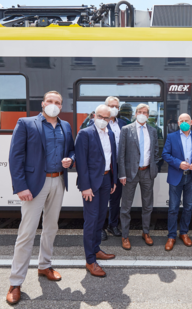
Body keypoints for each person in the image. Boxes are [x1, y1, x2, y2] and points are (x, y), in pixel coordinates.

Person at [6, 91, 75, 305]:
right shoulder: (26, 123)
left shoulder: (66, 126)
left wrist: (69, 160)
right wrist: (20, 186)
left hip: (58, 181)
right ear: (43, 103)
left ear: (61, 106)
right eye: (50, 101)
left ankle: (45, 266)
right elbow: (15, 156)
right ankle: (15, 282)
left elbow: (72, 151)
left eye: (58, 103)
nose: (54, 105)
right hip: (35, 184)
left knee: (51, 227)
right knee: (26, 233)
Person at [75, 104, 118, 277]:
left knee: (101, 218)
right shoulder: (85, 134)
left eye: (106, 118)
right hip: (91, 184)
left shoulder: (111, 134)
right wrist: (85, 186)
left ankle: (96, 249)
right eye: (100, 116)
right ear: (94, 116)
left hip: (106, 180)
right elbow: (81, 162)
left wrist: (113, 180)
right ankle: (90, 260)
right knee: (91, 221)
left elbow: (112, 158)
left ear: (110, 119)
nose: (103, 120)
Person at [118, 104, 160, 250]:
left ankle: (146, 232)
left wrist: (154, 168)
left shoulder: (153, 131)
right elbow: (121, 154)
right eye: (140, 112)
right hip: (130, 173)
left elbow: (155, 152)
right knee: (126, 207)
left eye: (145, 112)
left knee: (148, 205)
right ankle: (125, 236)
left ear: (148, 115)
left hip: (147, 172)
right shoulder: (126, 129)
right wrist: (122, 173)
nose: (142, 114)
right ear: (135, 114)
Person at [162, 113, 192, 251]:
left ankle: (184, 233)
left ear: (191, 122)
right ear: (178, 122)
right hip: (176, 175)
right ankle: (171, 236)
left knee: (188, 207)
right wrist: (178, 163)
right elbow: (165, 154)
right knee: (173, 208)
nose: (184, 122)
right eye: (181, 120)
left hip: (191, 177)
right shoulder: (171, 136)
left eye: (186, 120)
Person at [88, 96, 129, 240]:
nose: (114, 108)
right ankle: (100, 228)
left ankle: (113, 224)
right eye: (112, 105)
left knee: (115, 197)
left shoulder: (123, 123)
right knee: (101, 199)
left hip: (118, 166)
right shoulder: (97, 123)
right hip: (104, 166)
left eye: (117, 106)